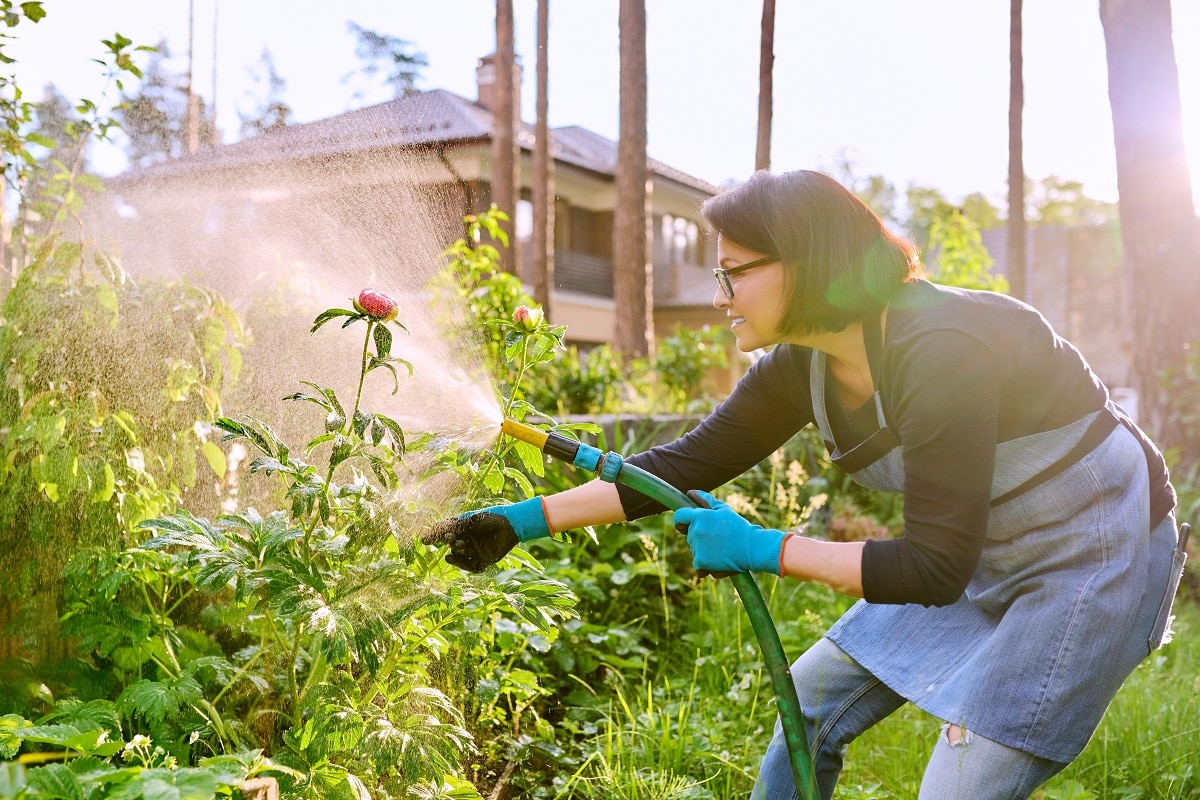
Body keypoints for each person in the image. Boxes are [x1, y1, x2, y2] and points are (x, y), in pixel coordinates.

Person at [428, 170, 1185, 799]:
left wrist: (763, 547)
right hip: (984, 551)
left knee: (954, 788)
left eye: (734, 273)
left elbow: (932, 569)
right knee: (809, 707)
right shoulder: (801, 366)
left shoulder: (942, 350)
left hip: (1093, 558)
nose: (720, 296)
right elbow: (681, 467)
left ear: (806, 261)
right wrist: (518, 523)